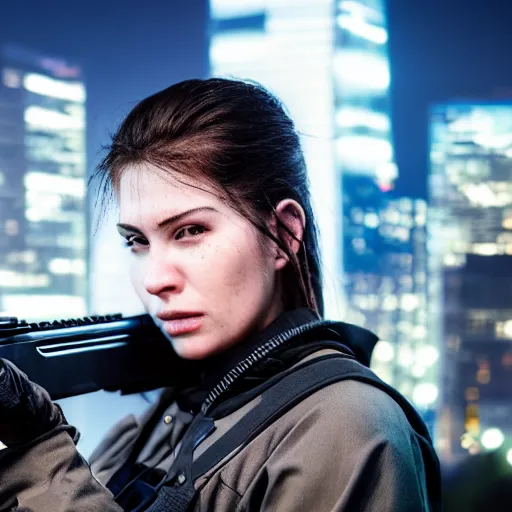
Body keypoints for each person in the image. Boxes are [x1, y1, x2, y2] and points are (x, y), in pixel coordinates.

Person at [0, 78, 442, 511]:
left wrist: (37, 449)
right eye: (137, 241)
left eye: (190, 231)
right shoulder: (164, 419)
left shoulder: (347, 425)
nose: (155, 279)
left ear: (283, 233)